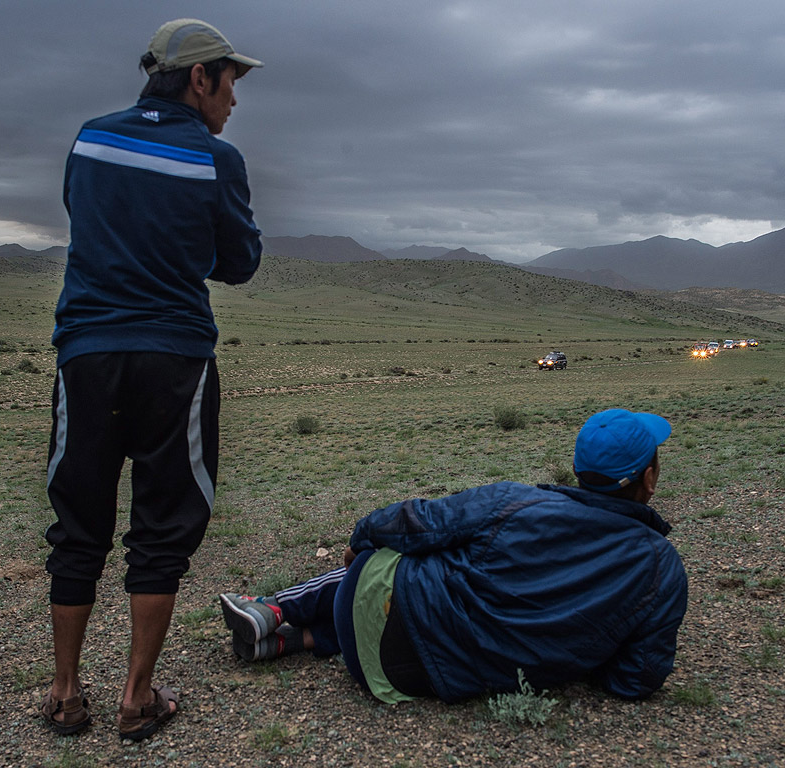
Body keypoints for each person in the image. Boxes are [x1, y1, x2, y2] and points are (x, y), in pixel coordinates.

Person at [42, 19, 263, 740]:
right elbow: (240, 262)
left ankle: (66, 690)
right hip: (174, 356)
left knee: (78, 524)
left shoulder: (89, 137)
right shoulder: (216, 159)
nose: (234, 99)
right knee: (162, 526)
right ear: (200, 78)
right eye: (231, 82)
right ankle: (137, 698)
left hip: (88, 351)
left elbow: (87, 219)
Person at [219, 409, 688, 704]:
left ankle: (274, 609)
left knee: (387, 567)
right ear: (649, 479)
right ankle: (287, 642)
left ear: (579, 470)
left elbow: (419, 522)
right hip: (410, 677)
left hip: (370, 612)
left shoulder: (518, 501)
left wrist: (362, 538)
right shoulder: (662, 568)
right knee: (411, 606)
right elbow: (634, 681)